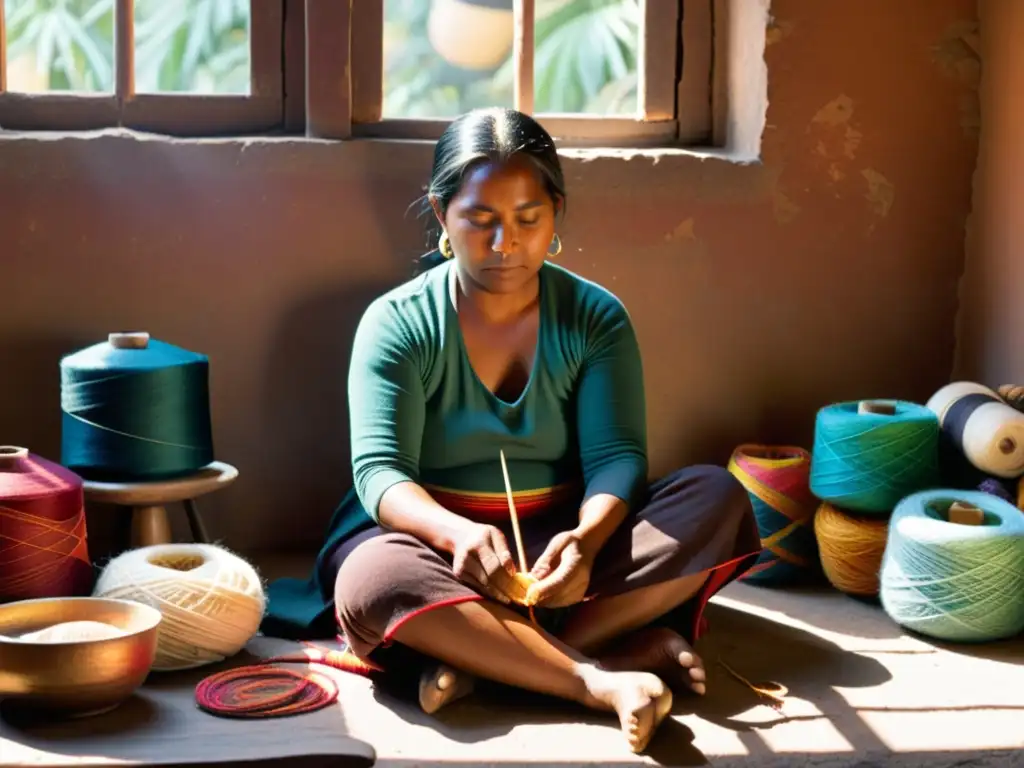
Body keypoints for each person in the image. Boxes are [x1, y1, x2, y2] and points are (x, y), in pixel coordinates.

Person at [262, 107, 761, 754]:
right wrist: (457, 532)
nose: (506, 244)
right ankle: (592, 673)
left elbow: (616, 456)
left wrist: (585, 541)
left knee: (714, 497)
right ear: (442, 216)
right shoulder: (396, 324)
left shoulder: (595, 318)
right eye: (481, 220)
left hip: (567, 546)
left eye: (528, 220)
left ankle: (482, 660)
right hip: (437, 545)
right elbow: (380, 475)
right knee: (372, 580)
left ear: (555, 214)